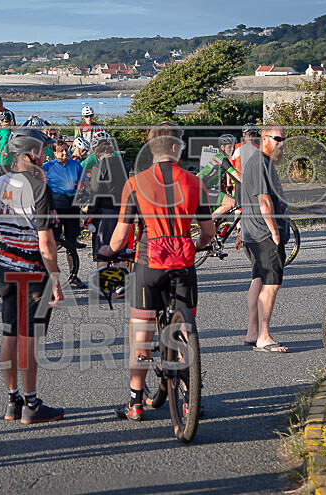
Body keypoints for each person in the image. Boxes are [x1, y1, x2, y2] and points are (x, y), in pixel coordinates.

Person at [98, 121, 214, 421]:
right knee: (185, 333)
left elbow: (120, 237)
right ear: (176, 148)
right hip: (183, 263)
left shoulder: (135, 183)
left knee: (141, 334)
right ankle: (190, 399)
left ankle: (135, 402)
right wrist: (197, 244)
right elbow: (208, 233)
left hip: (148, 263)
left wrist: (107, 251)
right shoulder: (195, 182)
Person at [0, 128, 65, 424]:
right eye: (43, 150)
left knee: (9, 332)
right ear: (31, 153)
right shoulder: (38, 188)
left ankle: (13, 400)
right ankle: (31, 404)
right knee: (29, 337)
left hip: (7, 268)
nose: (46, 155)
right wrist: (56, 279)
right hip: (33, 272)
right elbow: (46, 242)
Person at [241, 123, 290, 353]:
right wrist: (275, 232)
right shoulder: (260, 162)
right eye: (277, 139)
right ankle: (263, 336)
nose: (282, 143)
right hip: (264, 233)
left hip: (255, 232)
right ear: (265, 139)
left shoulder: (262, 162)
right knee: (271, 283)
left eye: (284, 139)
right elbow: (264, 201)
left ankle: (252, 332)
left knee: (258, 280)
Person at [42, 140, 88, 289]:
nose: (64, 153)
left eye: (66, 150)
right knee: (53, 241)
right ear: (55, 153)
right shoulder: (47, 166)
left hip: (72, 206)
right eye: (61, 151)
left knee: (71, 241)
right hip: (55, 206)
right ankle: (53, 275)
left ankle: (74, 275)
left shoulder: (76, 165)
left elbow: (85, 183)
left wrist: (86, 197)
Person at [87, 133, 130, 268]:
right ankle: (123, 279)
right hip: (121, 211)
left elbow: (95, 194)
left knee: (102, 253)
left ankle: (102, 281)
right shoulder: (123, 163)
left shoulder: (98, 166)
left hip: (104, 214)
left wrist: (89, 215)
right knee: (120, 252)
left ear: (96, 150)